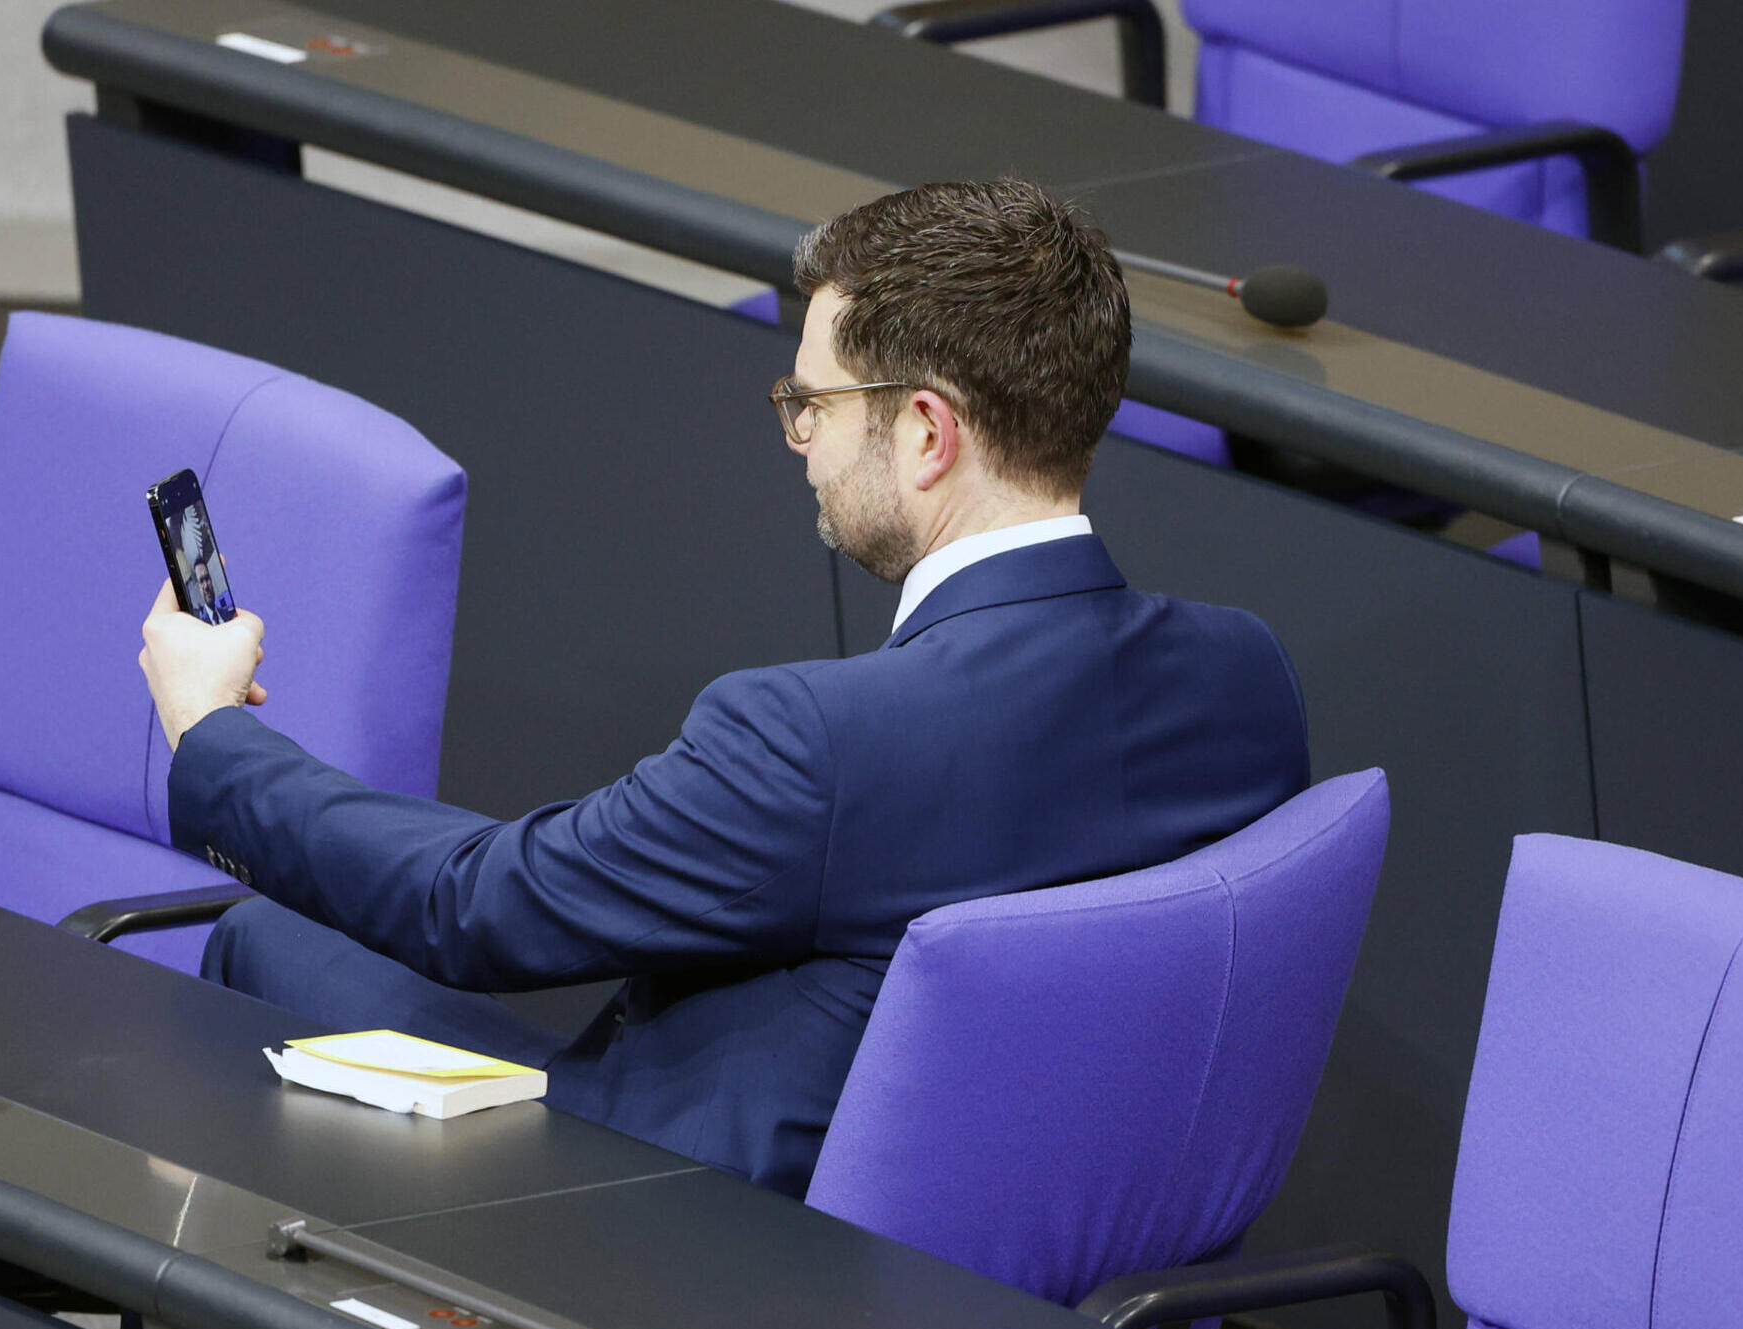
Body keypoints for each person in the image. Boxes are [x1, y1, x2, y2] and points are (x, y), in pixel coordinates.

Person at [138, 179, 1309, 1197]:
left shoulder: (817, 744)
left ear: (925, 431)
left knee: (263, 943)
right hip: (1004, 1275)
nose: (795, 437)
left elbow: (473, 905)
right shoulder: (1244, 678)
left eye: (810, 403)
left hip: (688, 1241)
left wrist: (210, 739)